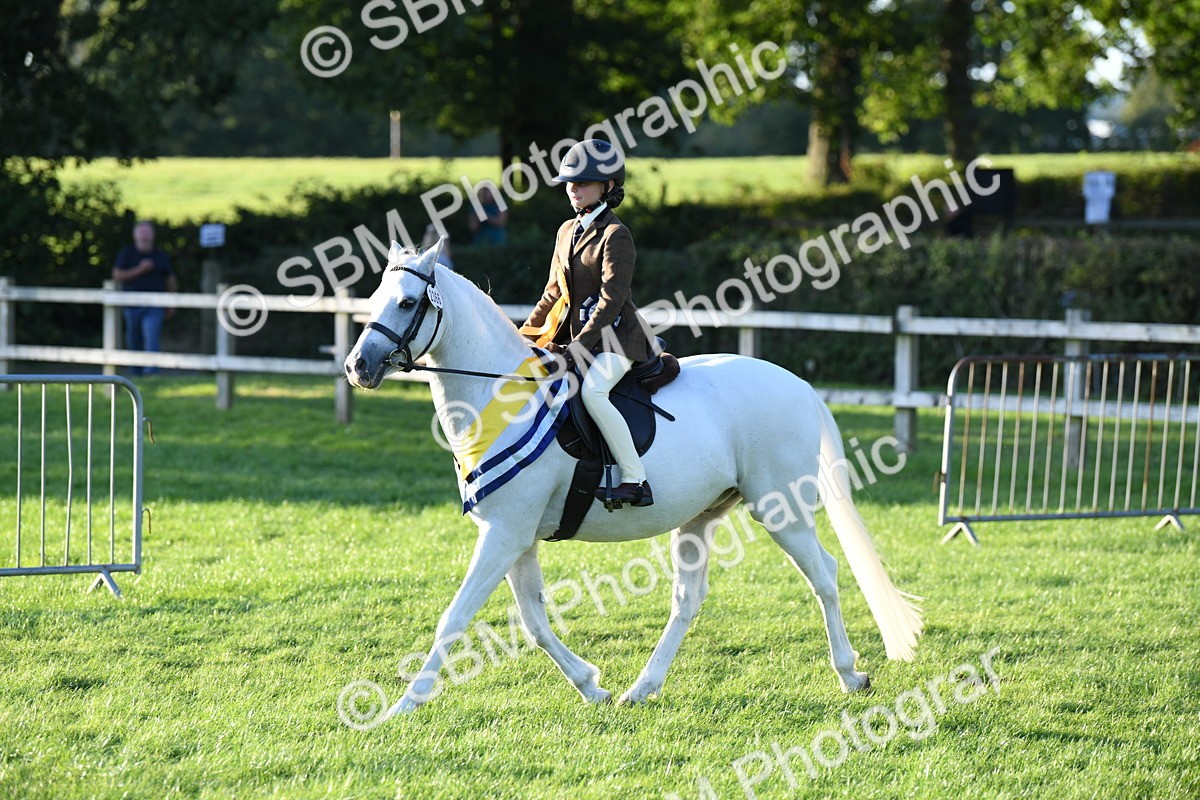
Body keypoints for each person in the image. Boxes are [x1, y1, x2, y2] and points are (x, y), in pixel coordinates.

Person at [519, 139, 658, 507]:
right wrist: (520, 338)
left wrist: (579, 347)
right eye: (569, 182)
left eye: (582, 182)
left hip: (618, 339)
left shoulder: (616, 235)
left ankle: (635, 479)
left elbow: (612, 301)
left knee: (593, 391)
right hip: (577, 337)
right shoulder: (566, 230)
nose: (573, 189)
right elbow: (551, 294)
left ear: (608, 187)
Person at [111, 220, 177, 375]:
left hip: (155, 304)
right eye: (141, 232)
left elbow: (170, 279)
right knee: (134, 338)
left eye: (147, 232)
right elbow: (117, 275)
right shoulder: (127, 253)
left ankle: (151, 372)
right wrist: (140, 270)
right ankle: (136, 372)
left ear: (153, 235)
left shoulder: (160, 255)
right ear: (135, 235)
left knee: (151, 336)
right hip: (131, 305)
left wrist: (172, 303)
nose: (144, 236)